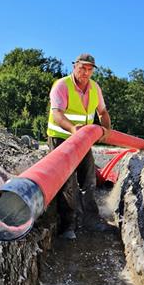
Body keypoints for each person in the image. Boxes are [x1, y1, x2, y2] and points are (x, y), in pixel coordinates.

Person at [47, 53, 111, 239]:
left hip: (82, 139)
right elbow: (57, 114)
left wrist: (106, 129)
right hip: (60, 137)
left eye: (90, 69)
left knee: (88, 179)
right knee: (66, 182)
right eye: (82, 68)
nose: (86, 72)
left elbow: (103, 112)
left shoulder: (94, 88)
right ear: (74, 66)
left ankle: (91, 220)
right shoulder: (62, 85)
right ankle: (68, 226)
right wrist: (73, 129)